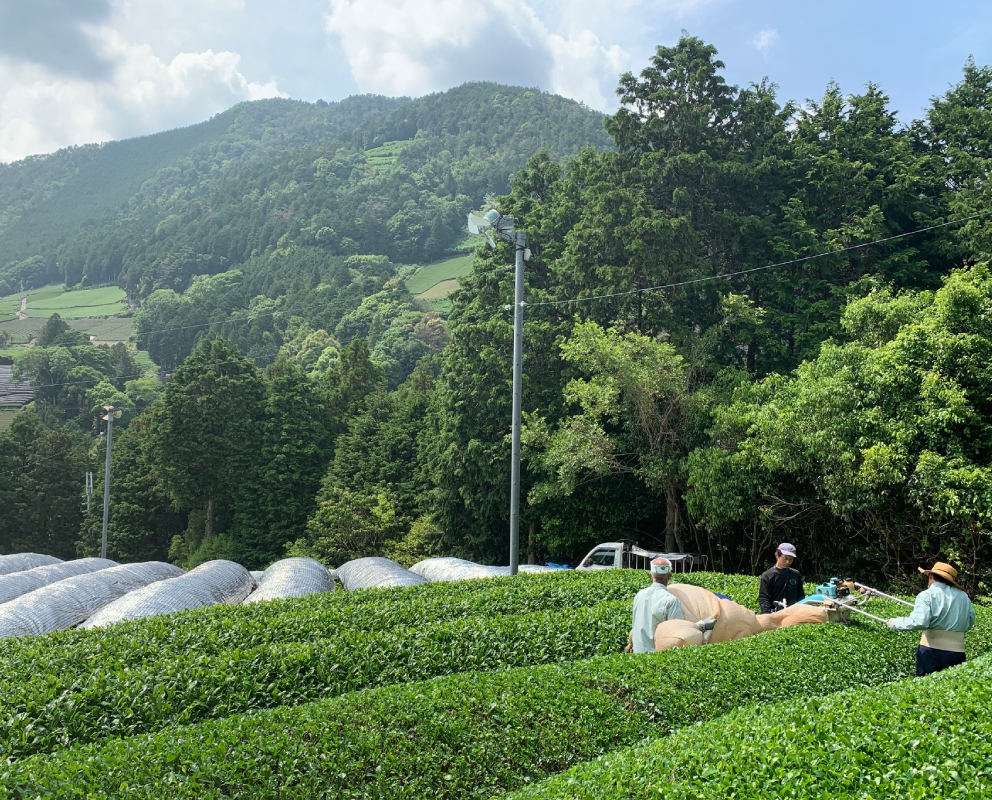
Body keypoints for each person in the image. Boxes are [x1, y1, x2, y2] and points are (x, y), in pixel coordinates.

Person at [886, 562, 976, 677]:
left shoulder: (926, 595)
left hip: (930, 652)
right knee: (952, 688)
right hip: (956, 652)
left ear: (931, 576)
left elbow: (920, 621)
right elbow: (970, 620)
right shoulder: (963, 596)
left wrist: (896, 623)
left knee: (925, 689)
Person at [630, 557, 684, 653]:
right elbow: (676, 634)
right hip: (658, 658)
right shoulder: (672, 601)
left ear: (650, 575)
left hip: (636, 655)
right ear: (669, 576)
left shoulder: (639, 595)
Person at [758, 542, 805, 614]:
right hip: (774, 614)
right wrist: (767, 616)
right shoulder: (767, 575)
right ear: (777, 555)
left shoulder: (795, 574)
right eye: (785, 558)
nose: (788, 562)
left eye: (791, 559)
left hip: (793, 615)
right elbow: (764, 598)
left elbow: (801, 596)